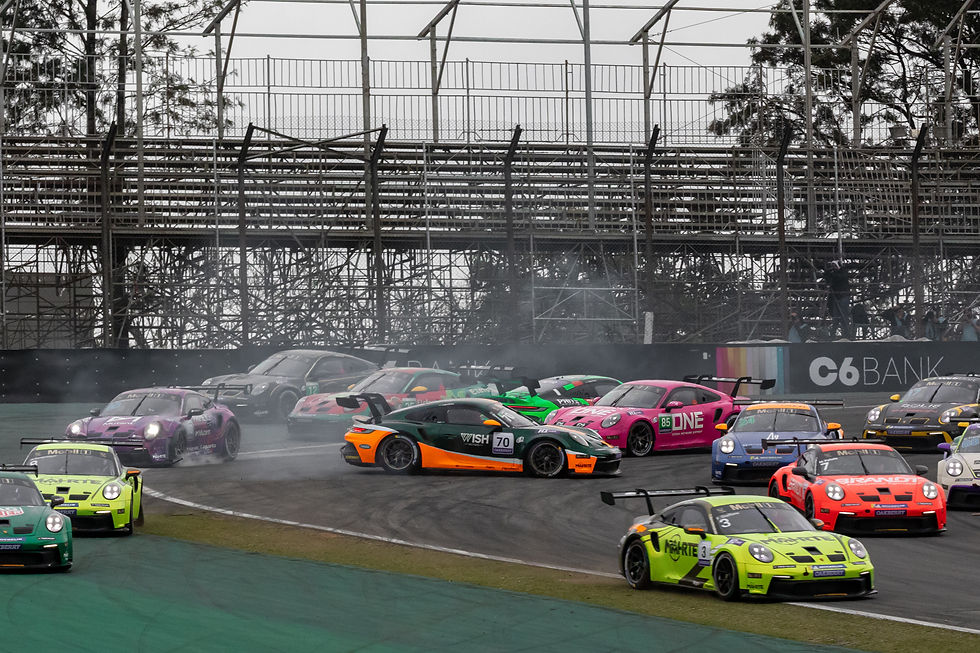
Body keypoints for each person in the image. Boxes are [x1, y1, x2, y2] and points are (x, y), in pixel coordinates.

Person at [821, 260, 851, 339]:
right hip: (836, 297)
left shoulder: (843, 271)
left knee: (844, 315)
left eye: (834, 266)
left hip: (843, 296)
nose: (833, 267)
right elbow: (828, 280)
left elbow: (840, 277)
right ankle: (833, 334)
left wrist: (832, 274)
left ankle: (846, 334)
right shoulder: (834, 274)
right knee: (835, 316)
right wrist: (827, 273)